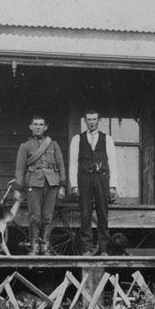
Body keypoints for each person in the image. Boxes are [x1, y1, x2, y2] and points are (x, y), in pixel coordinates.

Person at [14, 116, 67, 255]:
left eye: (41, 124)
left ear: (46, 127)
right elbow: (20, 169)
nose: (38, 127)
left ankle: (45, 246)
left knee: (48, 216)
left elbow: (61, 165)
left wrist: (62, 185)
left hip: (52, 183)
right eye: (35, 124)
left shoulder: (54, 144)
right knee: (35, 216)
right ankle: (34, 246)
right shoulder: (25, 146)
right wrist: (18, 188)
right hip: (33, 183)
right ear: (30, 127)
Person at [69, 109, 118, 256]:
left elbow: (113, 163)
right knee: (85, 213)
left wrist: (113, 185)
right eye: (89, 119)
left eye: (94, 119)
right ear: (85, 121)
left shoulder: (107, 139)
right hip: (84, 179)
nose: (91, 122)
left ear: (98, 120)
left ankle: (103, 249)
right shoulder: (77, 139)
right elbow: (73, 163)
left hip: (102, 179)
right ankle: (87, 248)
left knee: (103, 213)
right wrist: (74, 184)